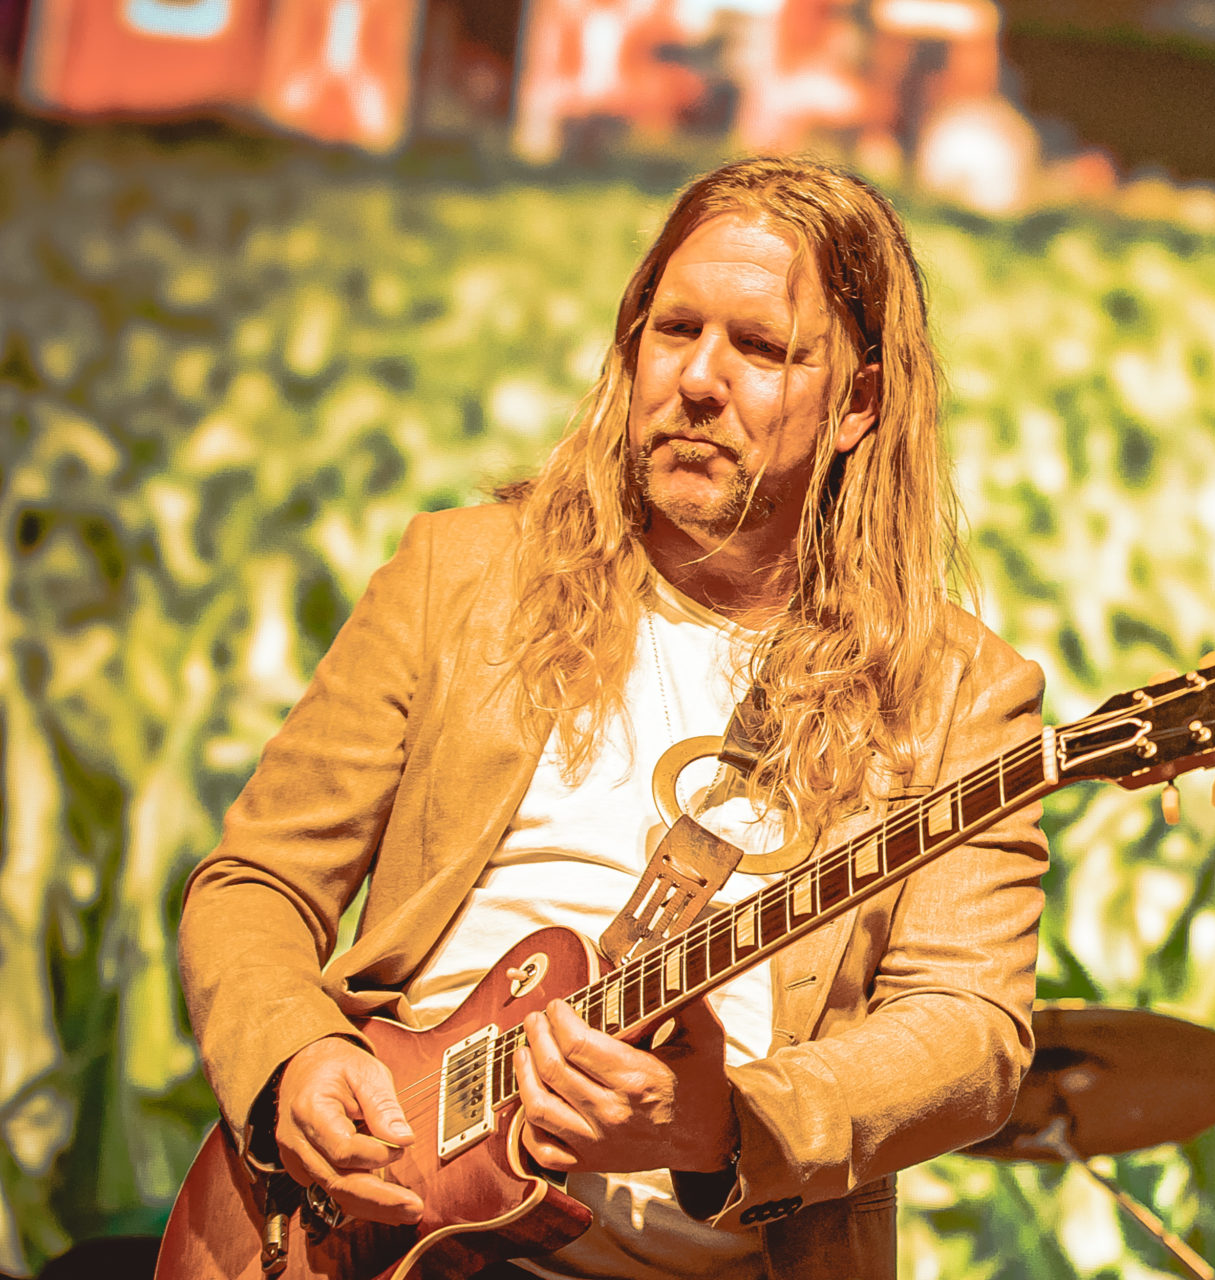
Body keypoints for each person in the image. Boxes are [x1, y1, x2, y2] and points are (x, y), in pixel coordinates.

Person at [176, 157, 1048, 1280]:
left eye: (763, 349)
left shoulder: (955, 691)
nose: (698, 378)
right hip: (372, 1236)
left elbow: (970, 1030)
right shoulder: (462, 573)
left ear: (858, 405)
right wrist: (295, 1058)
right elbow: (256, 883)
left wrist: (723, 1121)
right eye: (673, 328)